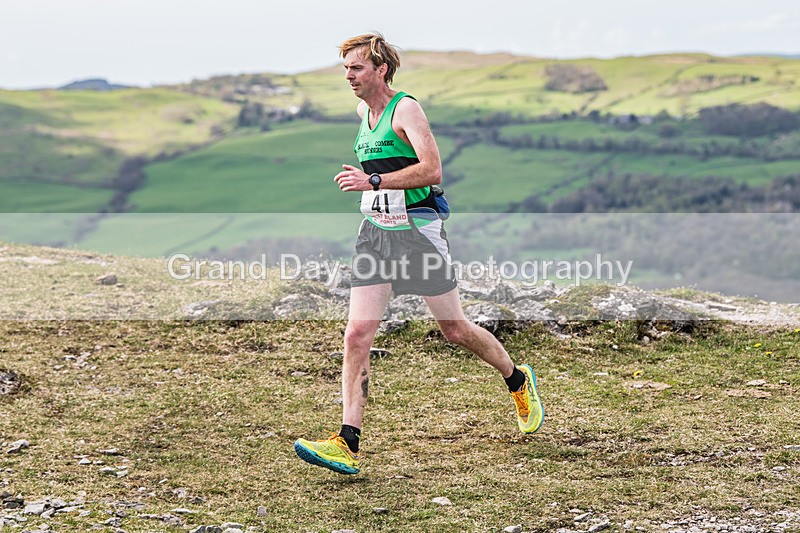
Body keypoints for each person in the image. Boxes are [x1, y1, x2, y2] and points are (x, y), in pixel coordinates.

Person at [293, 33, 543, 475]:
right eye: (346, 68)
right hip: (376, 233)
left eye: (356, 68)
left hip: (418, 232)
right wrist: (371, 188)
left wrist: (373, 182)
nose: (348, 76)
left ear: (381, 69)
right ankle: (347, 442)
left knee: (455, 329)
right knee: (356, 334)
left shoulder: (405, 108)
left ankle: (517, 379)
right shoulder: (363, 113)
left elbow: (432, 169)